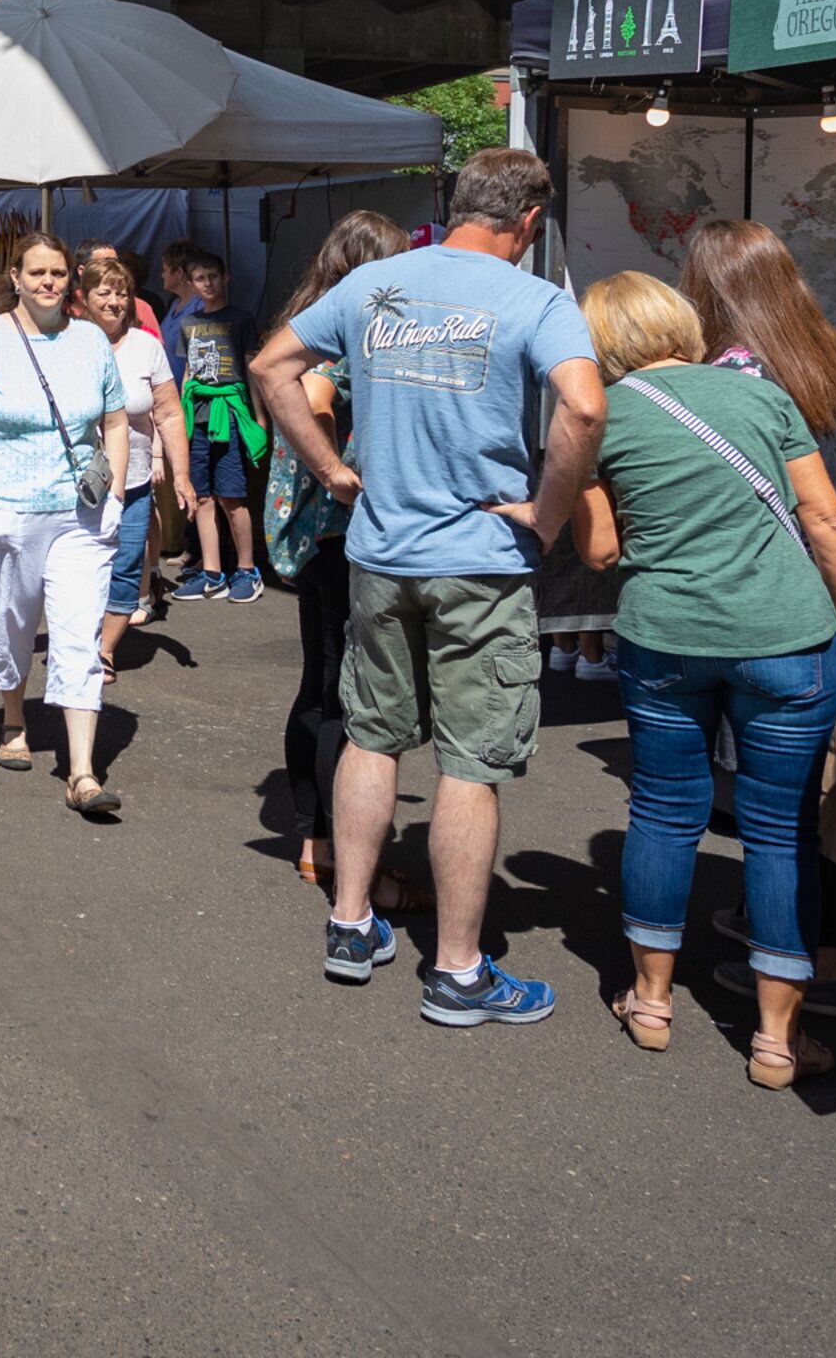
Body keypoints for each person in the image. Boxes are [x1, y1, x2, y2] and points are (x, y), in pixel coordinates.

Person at [255, 148, 602, 1027]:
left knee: (373, 737)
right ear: (526, 223)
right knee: (470, 762)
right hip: (480, 559)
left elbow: (269, 369)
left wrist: (332, 471)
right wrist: (549, 515)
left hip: (380, 551)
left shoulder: (379, 284)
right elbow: (587, 407)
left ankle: (350, 923)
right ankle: (456, 971)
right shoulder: (536, 298)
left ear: (457, 207)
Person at [567, 271, 836, 1088]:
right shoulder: (762, 399)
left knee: (663, 813)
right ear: (679, 324)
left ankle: (652, 1003)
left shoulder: (599, 417)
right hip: (787, 633)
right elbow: (826, 521)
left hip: (666, 636)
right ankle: (777, 1040)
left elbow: (599, 554)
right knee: (780, 832)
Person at [680, 218, 836, 1021]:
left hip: (784, 595)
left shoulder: (732, 373)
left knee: (786, 794)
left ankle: (818, 965)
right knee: (818, 781)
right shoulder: (833, 359)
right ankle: (796, 935)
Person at [0, 232, 134, 818]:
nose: (48, 283)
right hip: (9, 514)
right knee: (13, 624)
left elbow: (117, 423)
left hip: (80, 515)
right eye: (37, 274)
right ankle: (14, 716)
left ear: (70, 278)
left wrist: (118, 494)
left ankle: (81, 772)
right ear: (16, 277)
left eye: (57, 274)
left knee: (78, 636)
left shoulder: (90, 343)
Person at [271, 211, 411, 890]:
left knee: (320, 682)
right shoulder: (347, 331)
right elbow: (319, 397)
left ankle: (311, 836)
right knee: (343, 694)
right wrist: (337, 467)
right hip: (341, 528)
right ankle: (331, 842)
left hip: (316, 530)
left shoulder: (311, 314)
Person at [82, 251, 189, 669]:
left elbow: (168, 412)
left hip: (136, 481)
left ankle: (105, 650)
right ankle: (81, 640)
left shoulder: (147, 346)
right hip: (78, 486)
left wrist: (181, 473)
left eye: (122, 293)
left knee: (127, 565)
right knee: (84, 568)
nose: (114, 301)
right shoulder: (69, 342)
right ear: (84, 298)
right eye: (104, 292)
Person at [165, 244, 266, 603]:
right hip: (198, 417)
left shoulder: (241, 318)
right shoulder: (188, 324)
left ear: (225, 278)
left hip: (231, 415)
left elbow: (252, 369)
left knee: (231, 496)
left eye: (212, 277)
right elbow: (188, 373)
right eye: (199, 278)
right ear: (191, 284)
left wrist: (259, 418)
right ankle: (212, 572)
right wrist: (179, 418)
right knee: (202, 496)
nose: (206, 283)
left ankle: (246, 569)